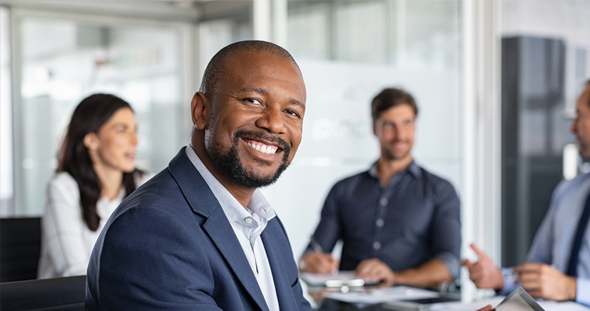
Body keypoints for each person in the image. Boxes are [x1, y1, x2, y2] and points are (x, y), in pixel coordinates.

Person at [85, 40, 313, 310]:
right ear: (201, 111)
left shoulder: (267, 225)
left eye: (291, 112)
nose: (274, 123)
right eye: (253, 101)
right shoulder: (152, 227)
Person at [462, 73, 590, 310]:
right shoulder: (569, 190)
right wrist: (500, 278)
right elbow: (540, 272)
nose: (572, 127)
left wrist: (572, 288)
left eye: (580, 115)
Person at [300, 87, 461, 288]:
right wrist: (311, 262)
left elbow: (450, 264)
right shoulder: (343, 190)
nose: (400, 135)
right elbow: (310, 253)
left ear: (415, 126)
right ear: (374, 128)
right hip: (349, 307)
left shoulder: (440, 190)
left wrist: (395, 277)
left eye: (407, 123)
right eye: (389, 125)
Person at [40, 94, 150, 279]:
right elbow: (75, 274)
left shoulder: (147, 184)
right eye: (122, 130)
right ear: (91, 140)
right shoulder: (63, 188)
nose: (135, 140)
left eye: (135, 130)